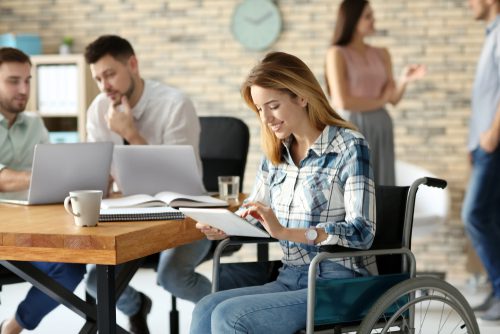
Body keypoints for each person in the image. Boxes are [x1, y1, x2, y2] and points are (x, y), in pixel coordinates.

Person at [189, 51, 377, 334]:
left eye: (273, 105)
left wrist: (286, 232)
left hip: (339, 282)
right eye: (260, 109)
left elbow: (362, 231)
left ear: (301, 97)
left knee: (231, 317)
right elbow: (257, 211)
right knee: (206, 308)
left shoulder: (349, 146)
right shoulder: (276, 154)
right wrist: (227, 226)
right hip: (291, 276)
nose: (266, 118)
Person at [82, 34, 208, 334]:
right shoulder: (99, 109)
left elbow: (179, 183)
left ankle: (231, 313)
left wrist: (131, 133)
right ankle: (136, 306)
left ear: (133, 64)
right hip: (130, 214)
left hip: (187, 214)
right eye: (98, 78)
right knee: (94, 281)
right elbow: (98, 174)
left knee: (173, 276)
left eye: (110, 74)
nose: (104, 85)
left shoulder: (175, 105)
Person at [0, 47, 85, 334]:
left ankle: (12, 328)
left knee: (71, 266)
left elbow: (55, 169)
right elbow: (3, 180)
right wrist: (52, 173)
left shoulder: (34, 123)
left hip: (29, 229)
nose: (23, 89)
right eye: (13, 81)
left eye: (28, 80)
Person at [325, 0, 426, 186]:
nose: (373, 20)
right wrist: (381, 100)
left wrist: (404, 79)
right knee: (355, 181)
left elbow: (393, 99)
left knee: (382, 184)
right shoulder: (336, 53)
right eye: (367, 16)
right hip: (352, 126)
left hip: (382, 125)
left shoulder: (382, 53)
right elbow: (342, 101)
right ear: (352, 20)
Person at [462, 0, 500, 323]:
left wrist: (492, 134)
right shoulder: (492, 34)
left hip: (493, 144)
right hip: (483, 144)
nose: (467, 3)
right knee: (492, 218)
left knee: (473, 214)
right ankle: (498, 291)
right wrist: (473, 142)